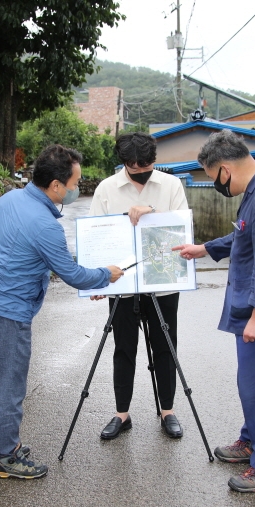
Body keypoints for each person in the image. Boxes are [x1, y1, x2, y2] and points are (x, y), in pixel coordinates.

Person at [0, 144, 123, 480]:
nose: (76, 189)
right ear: (55, 185)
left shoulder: (9, 199)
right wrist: (105, 275)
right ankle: (7, 456)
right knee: (9, 387)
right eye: (74, 184)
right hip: (8, 314)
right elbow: (72, 274)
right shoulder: (45, 224)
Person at [173, 130, 255, 493]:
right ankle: (252, 441)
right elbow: (243, 236)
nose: (216, 184)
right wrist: (205, 249)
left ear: (225, 169)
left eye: (213, 177)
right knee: (253, 384)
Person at [89, 132, 190, 440]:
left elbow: (182, 231)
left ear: (154, 160)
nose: (141, 171)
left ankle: (167, 411)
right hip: (121, 285)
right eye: (134, 166)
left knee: (165, 346)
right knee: (123, 348)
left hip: (163, 284)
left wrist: (152, 213)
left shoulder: (171, 185)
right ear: (124, 162)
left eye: (147, 165)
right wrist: (96, 279)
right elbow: (95, 236)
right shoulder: (107, 189)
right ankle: (122, 414)